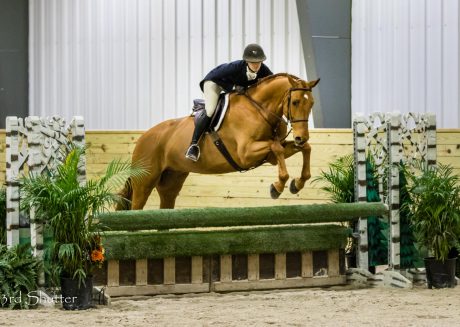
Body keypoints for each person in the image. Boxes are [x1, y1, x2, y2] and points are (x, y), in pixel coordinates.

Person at [185, 43, 273, 162]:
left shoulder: (263, 69)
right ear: (246, 61)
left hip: (231, 86)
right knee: (210, 110)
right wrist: (233, 87)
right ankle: (193, 145)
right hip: (214, 83)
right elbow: (215, 77)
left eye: (259, 62)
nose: (256, 65)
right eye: (253, 62)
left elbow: (273, 81)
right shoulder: (234, 67)